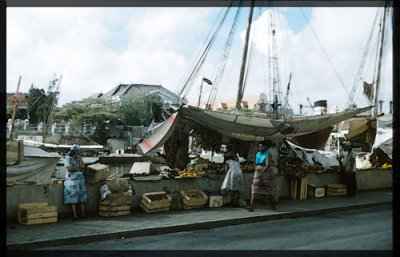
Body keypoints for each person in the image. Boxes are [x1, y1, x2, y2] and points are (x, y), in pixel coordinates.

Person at [246, 140, 277, 211]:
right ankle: (251, 205)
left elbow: (267, 165)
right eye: (259, 146)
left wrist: (261, 173)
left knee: (268, 189)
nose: (260, 148)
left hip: (266, 172)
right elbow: (256, 162)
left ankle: (272, 204)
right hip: (257, 171)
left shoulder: (268, 154)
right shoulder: (258, 153)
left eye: (261, 146)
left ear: (266, 147)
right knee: (254, 188)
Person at [64, 144, 88, 220]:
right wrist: (78, 169)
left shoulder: (78, 159)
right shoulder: (68, 158)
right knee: (73, 197)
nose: (80, 152)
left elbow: (83, 167)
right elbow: (69, 168)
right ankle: (74, 215)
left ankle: (83, 213)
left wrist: (80, 159)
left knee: (82, 197)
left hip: (80, 180)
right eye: (79, 151)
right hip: (72, 181)